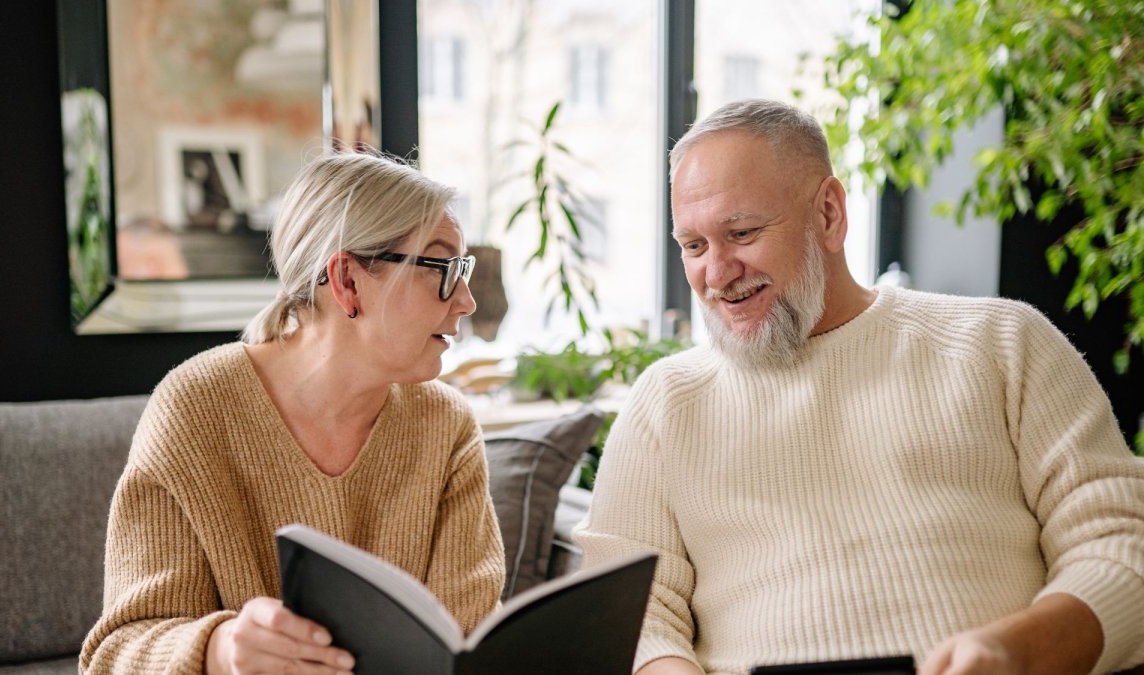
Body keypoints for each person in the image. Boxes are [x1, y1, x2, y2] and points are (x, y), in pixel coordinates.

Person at [574, 99, 1144, 675]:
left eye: (741, 233)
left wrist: (1021, 651)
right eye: (694, 246)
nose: (716, 274)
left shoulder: (1000, 342)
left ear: (828, 214)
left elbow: (1121, 542)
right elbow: (628, 617)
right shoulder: (666, 403)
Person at [80, 152, 505, 674]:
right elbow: (114, 655)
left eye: (463, 269)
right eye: (442, 268)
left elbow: (469, 642)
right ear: (347, 281)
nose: (466, 301)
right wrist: (221, 649)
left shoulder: (446, 426)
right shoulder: (195, 409)